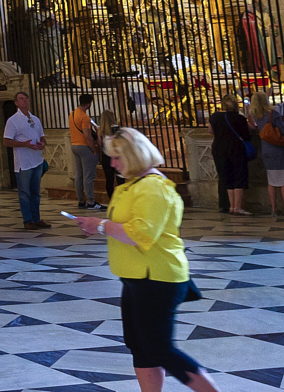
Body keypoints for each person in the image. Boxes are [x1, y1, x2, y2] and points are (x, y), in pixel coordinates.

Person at [73, 127, 221, 392]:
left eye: (117, 157)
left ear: (135, 155)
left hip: (158, 277)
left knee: (159, 348)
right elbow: (121, 225)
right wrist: (96, 225)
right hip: (136, 277)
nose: (112, 163)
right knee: (140, 346)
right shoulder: (132, 184)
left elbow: (141, 233)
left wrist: (100, 225)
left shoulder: (153, 187)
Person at [3, 91, 49, 229]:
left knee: (35, 192)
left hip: (37, 160)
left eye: (26, 98)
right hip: (23, 162)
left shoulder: (35, 119)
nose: (25, 101)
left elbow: (42, 136)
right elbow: (6, 141)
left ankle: (36, 218)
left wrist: (43, 143)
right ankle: (27, 220)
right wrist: (24, 144)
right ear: (16, 103)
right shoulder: (13, 120)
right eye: (21, 99)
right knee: (24, 193)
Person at [247, 90, 284, 217]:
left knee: (271, 181)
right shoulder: (273, 114)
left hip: (266, 150)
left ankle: (273, 208)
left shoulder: (256, 116)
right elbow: (283, 130)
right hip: (279, 150)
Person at [209, 92, 252, 215]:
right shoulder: (239, 118)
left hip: (219, 149)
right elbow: (246, 136)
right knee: (239, 176)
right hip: (236, 149)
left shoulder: (215, 117)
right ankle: (238, 207)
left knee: (227, 177)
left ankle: (231, 206)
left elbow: (210, 130)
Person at [71, 92, 104, 210]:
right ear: (89, 104)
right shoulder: (84, 117)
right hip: (84, 147)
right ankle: (91, 201)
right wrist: (93, 148)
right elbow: (87, 135)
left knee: (79, 175)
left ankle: (81, 201)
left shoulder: (73, 113)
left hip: (74, 146)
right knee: (89, 176)